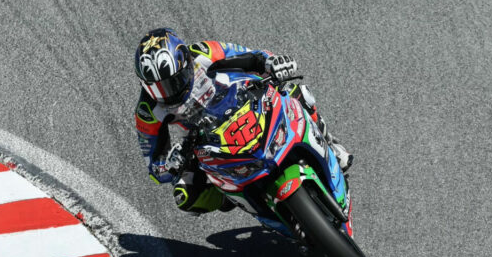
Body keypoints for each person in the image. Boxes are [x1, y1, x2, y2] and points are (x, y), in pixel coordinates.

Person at [133, 28, 352, 214]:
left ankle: (330, 144)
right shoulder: (147, 110)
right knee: (184, 196)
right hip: (204, 141)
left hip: (245, 102)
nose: (167, 92)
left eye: (173, 81)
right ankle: (230, 197)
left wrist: (272, 63)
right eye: (157, 87)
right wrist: (171, 164)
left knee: (297, 93)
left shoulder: (202, 52)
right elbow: (154, 167)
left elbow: (254, 56)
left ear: (186, 64)